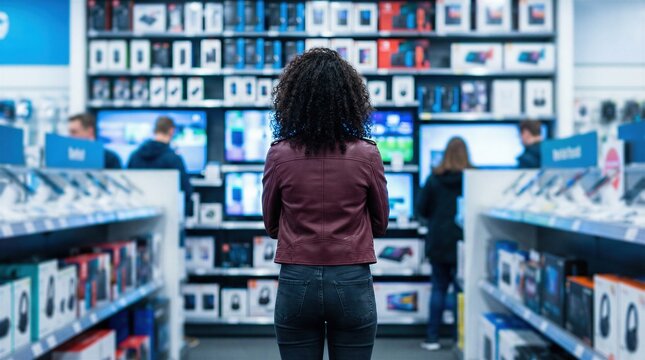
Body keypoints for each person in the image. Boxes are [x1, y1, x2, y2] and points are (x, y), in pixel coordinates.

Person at [262, 48, 389, 360]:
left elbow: (271, 224)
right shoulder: (367, 154)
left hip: (296, 279)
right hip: (351, 278)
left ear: (292, 100)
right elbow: (380, 222)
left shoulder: (279, 154)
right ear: (350, 99)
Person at [416, 137, 472, 351]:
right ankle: (460, 340)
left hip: (438, 240)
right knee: (460, 291)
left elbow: (421, 208)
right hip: (463, 241)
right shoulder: (472, 177)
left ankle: (432, 338)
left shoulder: (434, 178)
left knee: (438, 288)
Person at [127, 116, 192, 214]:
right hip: (168, 217)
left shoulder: (134, 156)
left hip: (136, 215)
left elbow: (127, 186)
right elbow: (186, 191)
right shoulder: (174, 159)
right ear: (171, 131)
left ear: (155, 131)